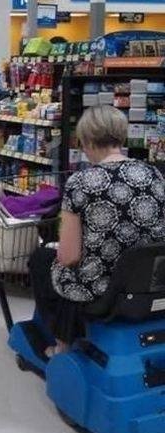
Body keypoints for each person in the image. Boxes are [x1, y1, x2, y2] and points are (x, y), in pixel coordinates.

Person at [31, 105, 165, 357]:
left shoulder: (80, 182)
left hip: (102, 293)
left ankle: (62, 344)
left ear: (88, 141)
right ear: (121, 136)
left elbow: (69, 257)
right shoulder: (154, 174)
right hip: (147, 286)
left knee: (42, 260)